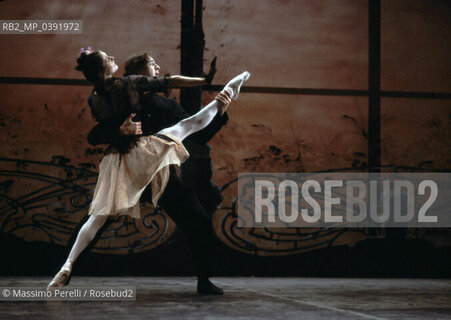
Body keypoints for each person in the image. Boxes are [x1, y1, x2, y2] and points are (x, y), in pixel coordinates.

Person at [47, 48, 250, 295]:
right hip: (147, 166)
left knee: (96, 219)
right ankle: (228, 91)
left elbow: (97, 132)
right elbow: (192, 121)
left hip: (139, 170)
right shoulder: (137, 91)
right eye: (152, 64)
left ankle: (68, 265)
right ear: (140, 74)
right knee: (185, 131)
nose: (156, 67)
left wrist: (220, 110)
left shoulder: (104, 97)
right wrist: (212, 95)